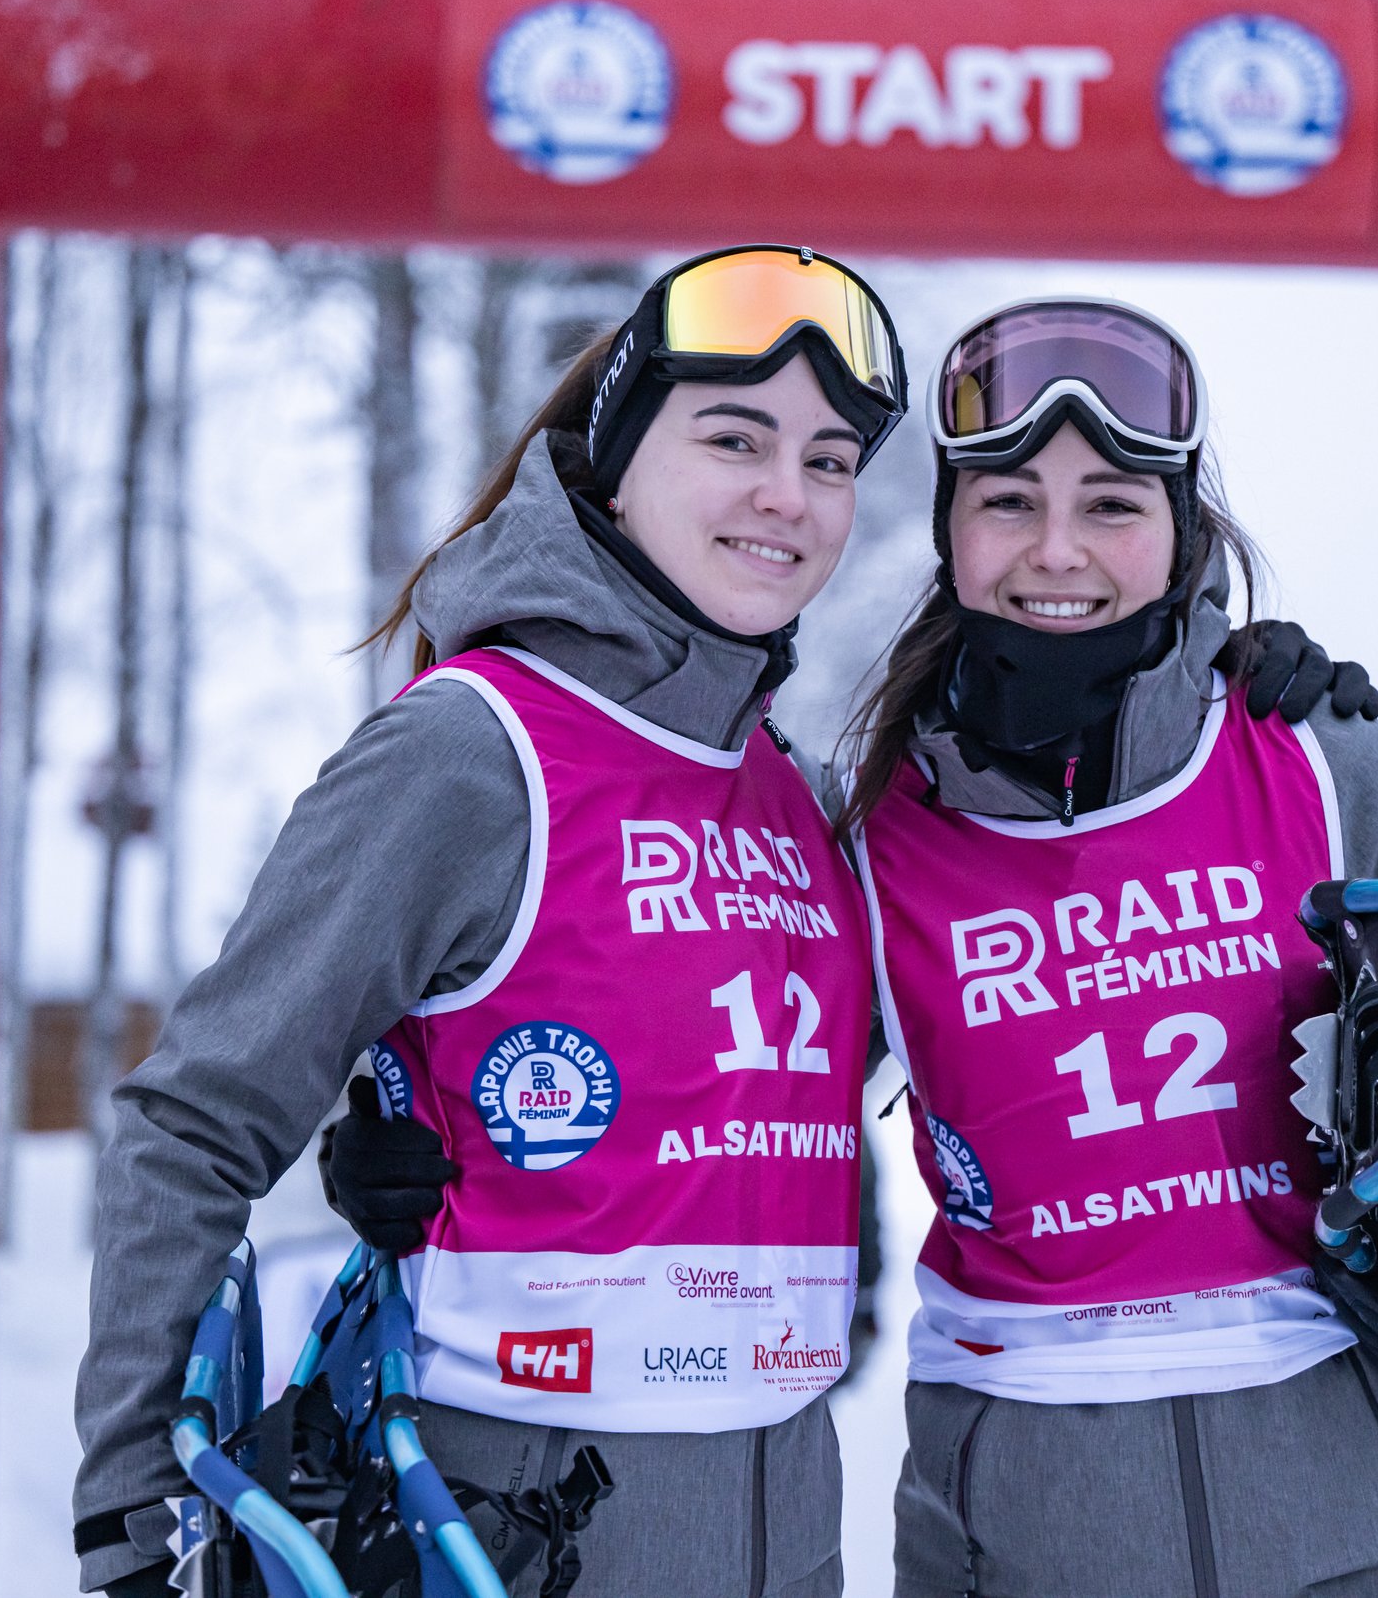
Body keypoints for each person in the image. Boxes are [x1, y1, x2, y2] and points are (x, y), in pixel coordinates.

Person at [72, 245, 913, 1598]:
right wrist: (132, 1508)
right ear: (619, 460)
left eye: (828, 460)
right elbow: (193, 1122)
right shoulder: (473, 752)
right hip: (507, 1533)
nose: (787, 495)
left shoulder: (799, 802)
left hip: (784, 1528)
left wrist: (1221, 705)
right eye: (735, 437)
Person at [840, 297, 1378, 1598]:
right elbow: (696, 1056)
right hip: (1027, 1525)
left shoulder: (1327, 768)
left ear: (1180, 534)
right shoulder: (879, 844)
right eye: (1007, 502)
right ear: (947, 533)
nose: (1057, 550)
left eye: (1110, 503)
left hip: (1355, 1512)